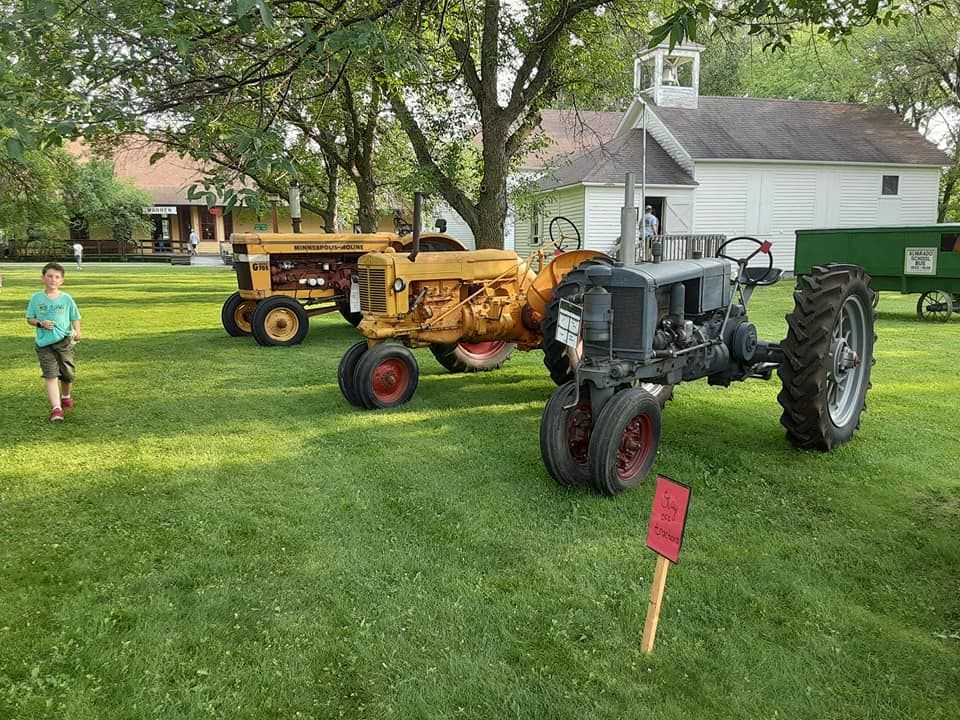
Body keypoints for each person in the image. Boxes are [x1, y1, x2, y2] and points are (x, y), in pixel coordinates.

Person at [25, 262, 83, 421]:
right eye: (49, 276)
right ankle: (56, 409)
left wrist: (78, 331)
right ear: (43, 278)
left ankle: (66, 396)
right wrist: (40, 323)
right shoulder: (36, 298)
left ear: (62, 280)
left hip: (64, 342)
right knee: (50, 375)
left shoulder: (66, 299)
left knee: (68, 374)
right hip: (44, 344)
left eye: (57, 277)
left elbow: (75, 317)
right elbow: (29, 319)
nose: (53, 279)